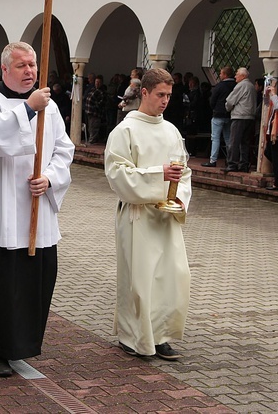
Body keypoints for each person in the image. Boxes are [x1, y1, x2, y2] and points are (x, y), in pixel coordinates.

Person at [0, 42, 75, 377]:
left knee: (35, 282)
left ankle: (24, 344)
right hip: (0, 213)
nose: (29, 71)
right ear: (4, 70)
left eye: (32, 65)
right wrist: (28, 108)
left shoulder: (49, 106)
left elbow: (63, 149)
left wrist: (50, 178)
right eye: (22, 66)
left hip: (36, 210)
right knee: (3, 286)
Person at [104, 67, 192, 361]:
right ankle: (133, 338)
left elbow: (184, 171)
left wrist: (178, 197)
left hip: (165, 218)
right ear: (144, 93)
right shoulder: (124, 131)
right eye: (160, 95)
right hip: (138, 215)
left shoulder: (171, 130)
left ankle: (161, 336)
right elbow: (117, 174)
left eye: (169, 95)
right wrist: (160, 175)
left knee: (171, 277)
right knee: (140, 280)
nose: (165, 100)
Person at [202, 66, 235, 167]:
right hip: (229, 115)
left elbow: (212, 100)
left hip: (218, 114)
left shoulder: (220, 86)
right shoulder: (235, 85)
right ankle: (230, 159)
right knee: (228, 138)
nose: (220, 75)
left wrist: (214, 108)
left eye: (221, 73)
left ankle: (213, 160)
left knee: (215, 138)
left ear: (225, 75)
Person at [224, 67, 256, 172]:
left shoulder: (241, 85)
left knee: (234, 141)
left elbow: (230, 101)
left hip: (239, 116)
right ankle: (244, 164)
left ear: (243, 76)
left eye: (237, 74)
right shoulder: (251, 86)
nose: (235, 76)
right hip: (250, 117)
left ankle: (232, 164)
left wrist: (228, 108)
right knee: (245, 142)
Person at [84, 74, 107, 143]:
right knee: (89, 127)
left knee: (94, 127)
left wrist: (94, 107)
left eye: (99, 82)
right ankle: (91, 139)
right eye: (96, 82)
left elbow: (101, 103)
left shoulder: (102, 92)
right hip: (88, 111)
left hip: (95, 113)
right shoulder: (93, 89)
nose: (97, 83)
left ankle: (92, 141)